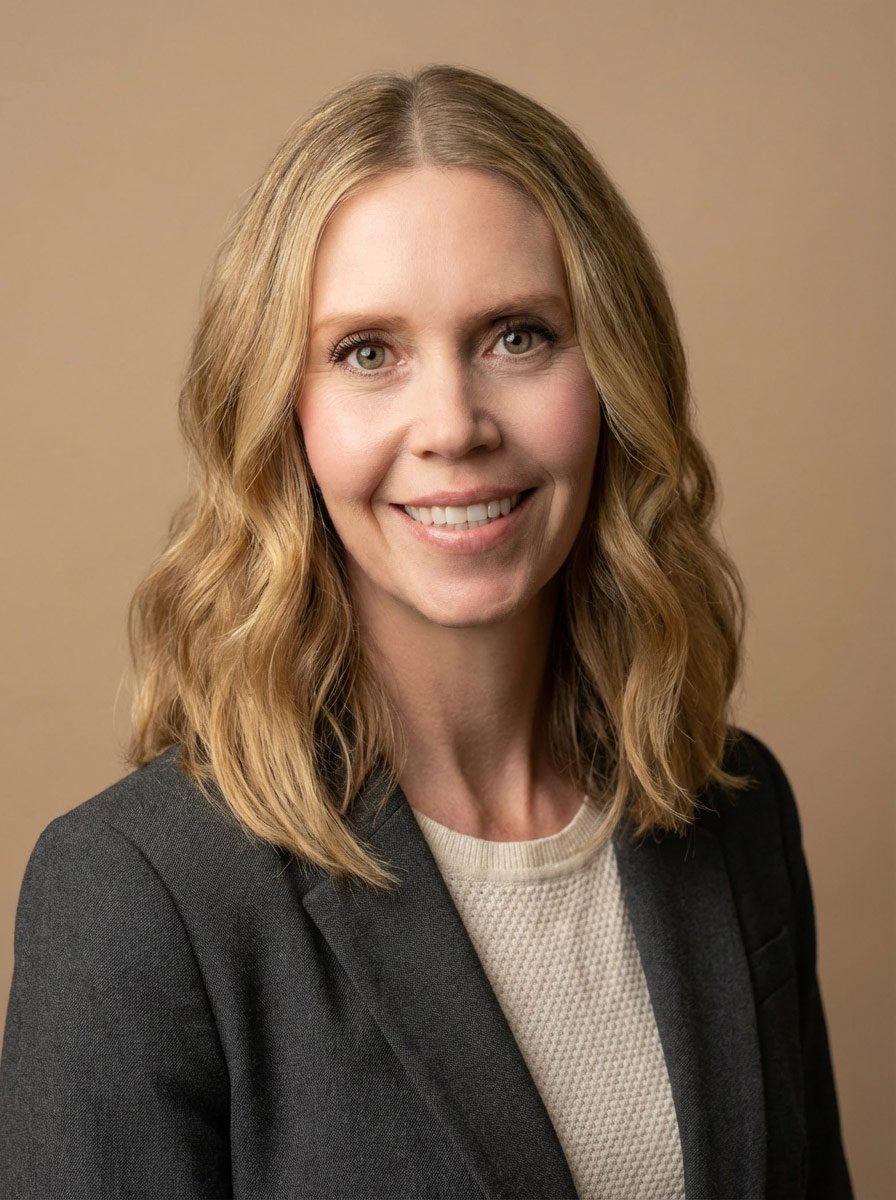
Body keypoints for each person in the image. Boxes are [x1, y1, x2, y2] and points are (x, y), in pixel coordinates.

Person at [0, 64, 852, 1200]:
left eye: (517, 336)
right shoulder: (135, 895)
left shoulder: (736, 812)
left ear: (614, 375)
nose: (452, 425)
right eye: (367, 352)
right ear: (283, 414)